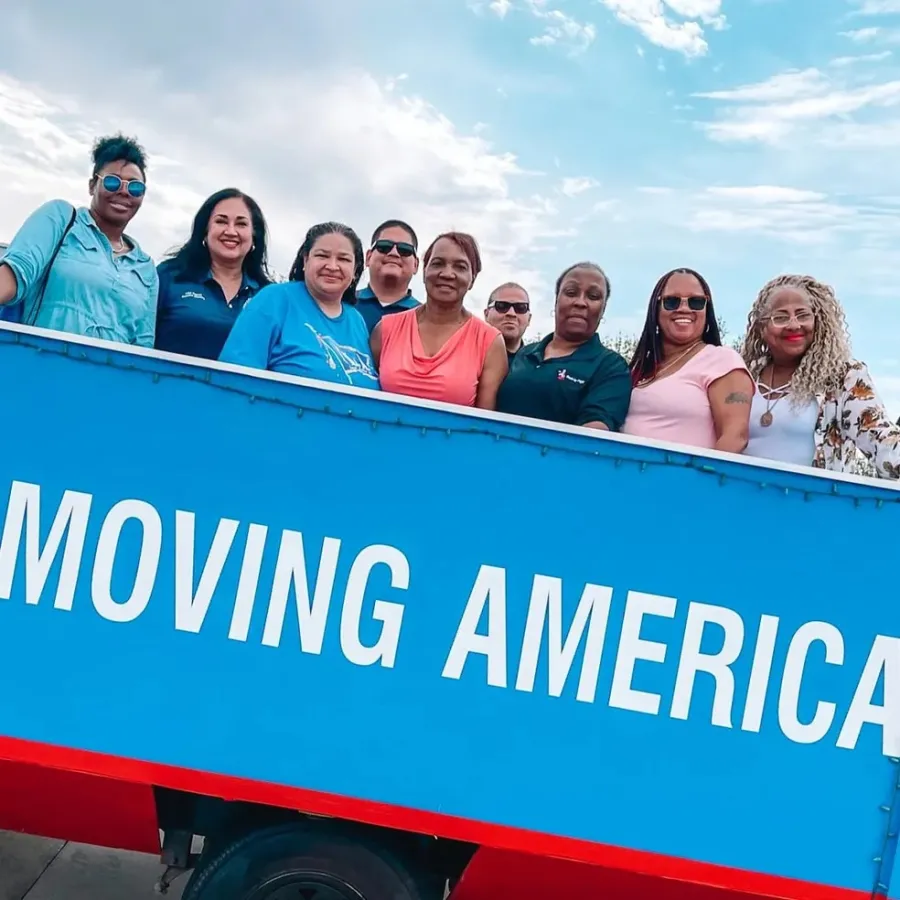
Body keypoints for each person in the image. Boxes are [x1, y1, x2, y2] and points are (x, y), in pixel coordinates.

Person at [0, 134, 158, 346]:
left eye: (135, 187)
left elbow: (143, 345)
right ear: (92, 186)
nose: (124, 192)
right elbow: (14, 275)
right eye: (112, 182)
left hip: (106, 378)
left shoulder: (146, 268)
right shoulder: (60, 219)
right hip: (40, 366)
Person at [741, 274, 900, 477]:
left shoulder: (843, 378)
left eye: (803, 315)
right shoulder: (742, 374)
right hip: (741, 500)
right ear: (762, 328)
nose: (793, 325)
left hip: (812, 503)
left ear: (819, 321)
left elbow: (879, 435)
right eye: (780, 317)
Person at [219, 222, 379, 390]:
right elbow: (233, 380)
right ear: (305, 260)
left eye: (343, 259)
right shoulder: (273, 299)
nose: (332, 266)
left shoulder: (357, 321)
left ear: (355, 270)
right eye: (322, 256)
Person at [371, 232, 507, 409]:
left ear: (472, 279)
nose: (447, 274)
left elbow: (485, 425)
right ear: (424, 271)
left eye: (460, 267)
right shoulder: (385, 330)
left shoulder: (489, 343)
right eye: (438, 264)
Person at [623, 267, 753, 452]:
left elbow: (735, 437)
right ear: (656, 308)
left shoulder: (722, 361)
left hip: (683, 478)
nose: (684, 308)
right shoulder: (640, 368)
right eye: (671, 302)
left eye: (696, 302)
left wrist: (702, 481)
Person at [497, 262, 631, 430]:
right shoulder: (524, 354)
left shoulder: (611, 366)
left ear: (603, 310)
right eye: (571, 293)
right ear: (556, 301)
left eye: (593, 296)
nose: (580, 302)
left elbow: (596, 428)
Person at [155, 188, 273, 360]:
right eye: (221, 221)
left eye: (241, 224)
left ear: (254, 235)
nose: (231, 231)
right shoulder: (169, 276)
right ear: (205, 230)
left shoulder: (269, 296)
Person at [355, 220, 421, 333]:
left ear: (416, 265)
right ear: (368, 257)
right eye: (384, 247)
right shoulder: (342, 303)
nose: (394, 253)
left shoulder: (424, 317)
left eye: (404, 250)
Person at [484, 282, 532, 365]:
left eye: (521, 308)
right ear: (486, 314)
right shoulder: (465, 354)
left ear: (529, 319)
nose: (511, 313)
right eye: (502, 306)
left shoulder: (536, 365)